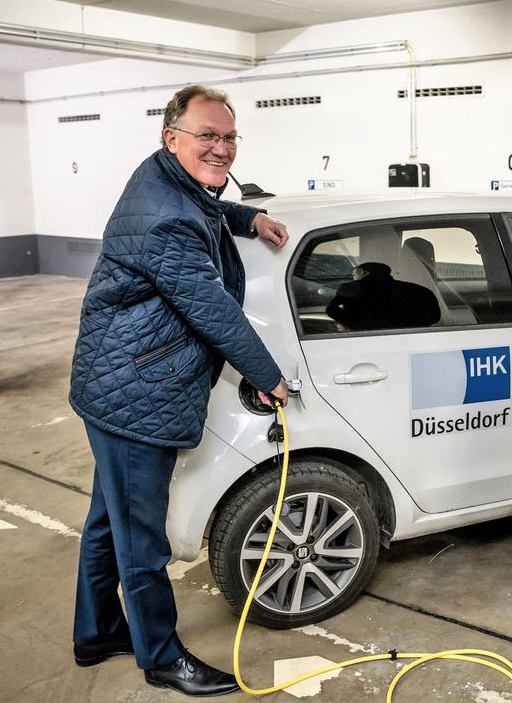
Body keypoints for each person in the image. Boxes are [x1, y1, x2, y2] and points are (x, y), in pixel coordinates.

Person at [68, 85, 290, 697]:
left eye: (228, 137)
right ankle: (162, 657)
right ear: (173, 138)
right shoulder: (167, 215)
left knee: (109, 523)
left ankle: (98, 632)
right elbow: (210, 308)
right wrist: (265, 374)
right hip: (137, 388)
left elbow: (207, 207)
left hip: (113, 380)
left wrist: (249, 217)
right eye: (207, 137)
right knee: (141, 538)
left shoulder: (166, 181)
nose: (220, 149)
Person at [326, 261, 441, 330]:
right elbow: (435, 317)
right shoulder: (420, 291)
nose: (352, 275)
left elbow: (332, 310)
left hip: (365, 340)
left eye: (354, 272)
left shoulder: (350, 288)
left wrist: (354, 325)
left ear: (364, 272)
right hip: (412, 341)